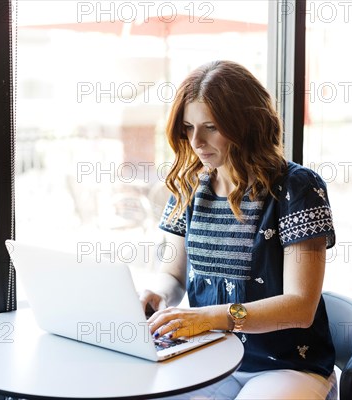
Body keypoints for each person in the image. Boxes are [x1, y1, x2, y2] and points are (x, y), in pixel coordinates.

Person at [139, 60, 338, 400]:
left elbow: (300, 307)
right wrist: (155, 297)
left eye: (211, 127)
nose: (197, 141)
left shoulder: (297, 187)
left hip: (286, 365)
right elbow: (173, 274)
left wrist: (211, 317)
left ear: (247, 124)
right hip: (206, 356)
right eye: (188, 127)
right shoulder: (189, 186)